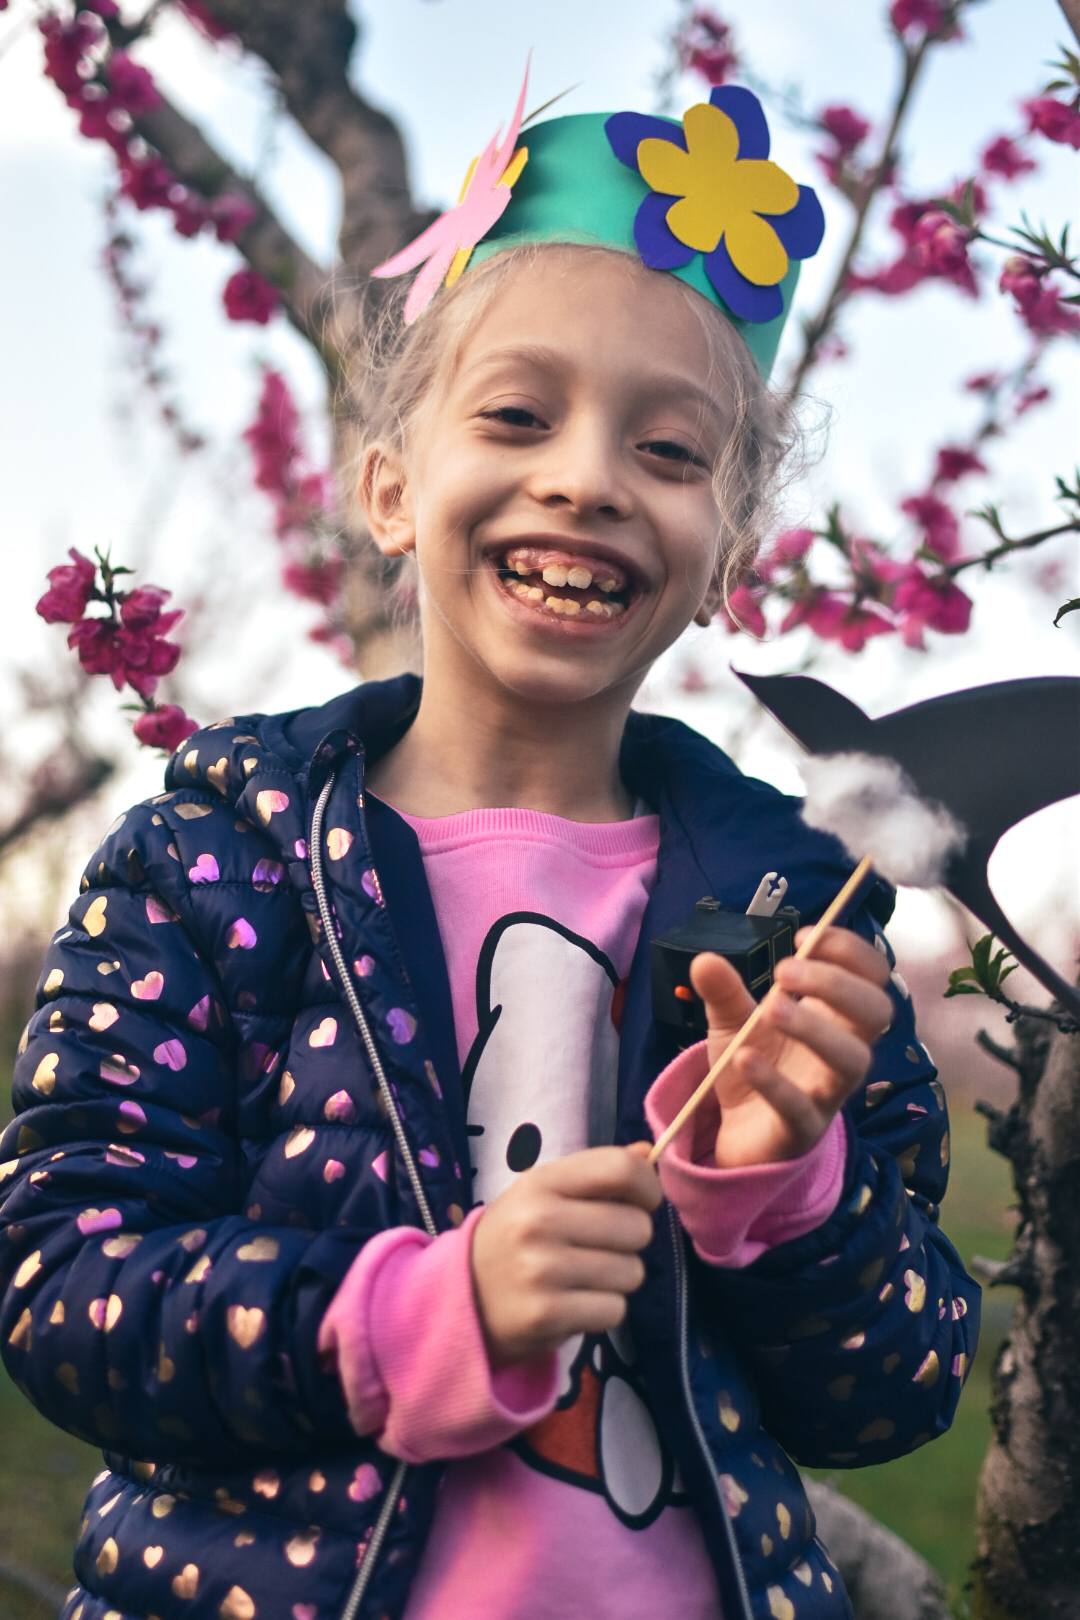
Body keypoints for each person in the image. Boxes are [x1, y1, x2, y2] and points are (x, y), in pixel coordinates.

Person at [0, 69, 979, 1620]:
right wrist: (416, 1317)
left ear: (730, 554)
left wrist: (789, 1184)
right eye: (518, 416)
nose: (587, 478)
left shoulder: (800, 915)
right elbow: (65, 1292)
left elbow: (898, 1389)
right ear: (390, 488)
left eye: (672, 454)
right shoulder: (212, 865)